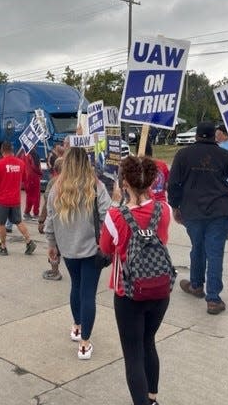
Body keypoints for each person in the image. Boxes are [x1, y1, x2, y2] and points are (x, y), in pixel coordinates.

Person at [99, 156, 171, 405]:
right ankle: (152, 397)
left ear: (124, 182)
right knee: (148, 342)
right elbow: (163, 238)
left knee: (133, 354)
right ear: (152, 181)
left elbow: (106, 248)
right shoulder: (164, 210)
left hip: (128, 291)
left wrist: (121, 200)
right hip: (160, 288)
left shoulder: (115, 216)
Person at [168, 122, 228, 315]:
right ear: (215, 136)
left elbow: (173, 183)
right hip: (219, 211)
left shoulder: (183, 155)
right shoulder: (224, 156)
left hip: (192, 211)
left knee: (197, 248)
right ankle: (213, 299)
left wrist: (175, 206)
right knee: (215, 253)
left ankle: (197, 285)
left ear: (197, 136)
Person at [44, 147, 111, 360]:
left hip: (67, 248)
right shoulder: (96, 186)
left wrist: (51, 244)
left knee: (76, 286)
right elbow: (108, 216)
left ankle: (76, 326)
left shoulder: (56, 188)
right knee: (88, 293)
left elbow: (50, 219)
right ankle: (84, 343)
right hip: (93, 249)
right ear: (86, 164)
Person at [0, 141, 36, 256]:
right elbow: (24, 178)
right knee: (18, 221)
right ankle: (29, 241)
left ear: (2, 150)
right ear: (12, 150)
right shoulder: (20, 163)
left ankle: (3, 247)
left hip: (1, 200)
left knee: (0, 224)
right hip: (15, 199)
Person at [37, 157, 63, 280]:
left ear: (55, 169)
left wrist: (41, 220)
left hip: (57, 221)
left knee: (53, 247)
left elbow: (48, 203)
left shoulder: (53, 182)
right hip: (72, 222)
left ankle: (55, 271)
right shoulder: (76, 181)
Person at [23, 146, 42, 220]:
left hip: (27, 178)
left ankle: (27, 212)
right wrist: (40, 173)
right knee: (36, 197)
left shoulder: (24, 153)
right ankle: (36, 213)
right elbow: (36, 167)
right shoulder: (34, 154)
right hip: (34, 177)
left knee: (29, 196)